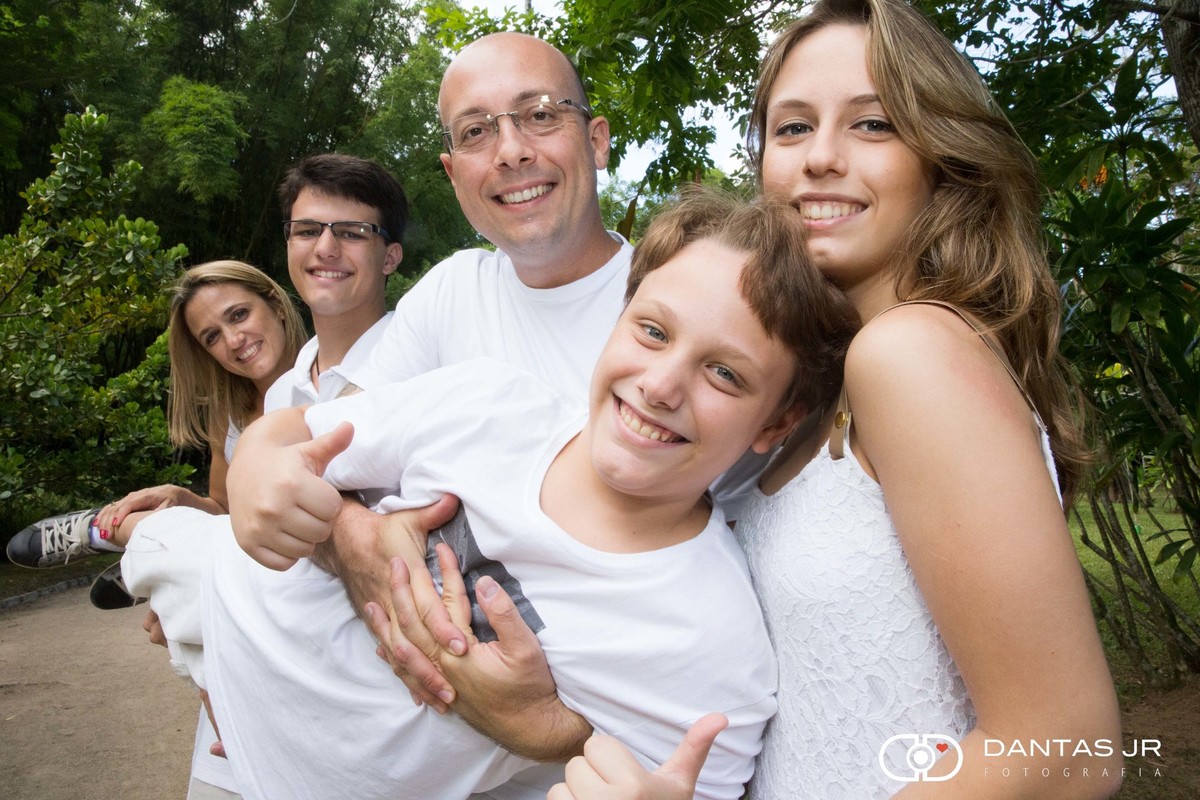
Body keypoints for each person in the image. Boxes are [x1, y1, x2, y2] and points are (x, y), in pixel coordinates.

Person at [519, 0, 1125, 797]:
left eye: (872, 125)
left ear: (941, 155)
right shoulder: (812, 386)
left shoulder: (909, 352)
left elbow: (1069, 750)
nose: (821, 159)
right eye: (793, 127)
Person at [209, 190, 859, 800]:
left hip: (285, 779)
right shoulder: (487, 401)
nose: (661, 386)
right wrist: (255, 464)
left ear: (776, 423)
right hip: (227, 627)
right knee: (174, 547)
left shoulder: (708, 646)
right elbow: (297, 431)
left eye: (723, 373)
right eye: (653, 332)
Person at [108, 152, 410, 800]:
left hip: (363, 683)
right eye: (307, 231)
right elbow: (251, 529)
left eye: (351, 231)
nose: (325, 247)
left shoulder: (416, 359)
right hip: (260, 661)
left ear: (390, 256)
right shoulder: (282, 397)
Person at [4, 259, 305, 575]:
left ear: (276, 304)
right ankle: (132, 548)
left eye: (239, 315)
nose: (233, 340)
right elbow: (225, 512)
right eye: (212, 337)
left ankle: (114, 539)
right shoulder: (229, 418)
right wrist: (179, 495)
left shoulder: (332, 385)